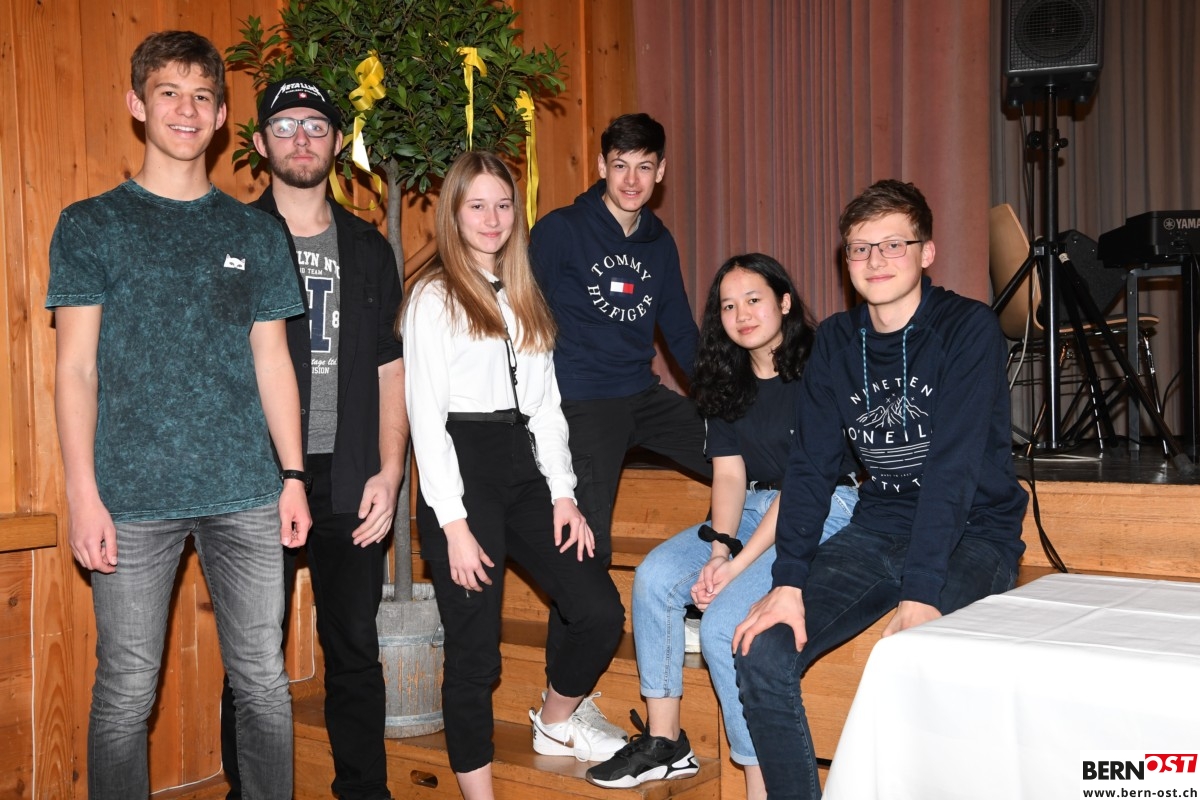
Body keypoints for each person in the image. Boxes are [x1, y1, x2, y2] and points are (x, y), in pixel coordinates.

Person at [46, 31, 311, 800]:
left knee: (263, 683)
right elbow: (75, 369)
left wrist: (293, 476)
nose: (186, 109)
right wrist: (83, 494)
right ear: (137, 104)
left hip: (248, 493)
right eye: (169, 92)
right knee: (126, 692)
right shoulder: (91, 224)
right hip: (130, 499)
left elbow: (273, 361)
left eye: (202, 96)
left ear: (223, 115)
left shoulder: (256, 232)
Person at [731, 180, 1029, 800]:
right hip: (878, 528)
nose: (875, 260)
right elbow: (810, 469)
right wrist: (788, 581)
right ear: (846, 261)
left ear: (927, 253)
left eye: (894, 244)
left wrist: (921, 594)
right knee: (761, 652)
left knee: (922, 663)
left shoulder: (966, 328)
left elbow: (952, 470)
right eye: (860, 249)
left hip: (974, 532)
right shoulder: (836, 342)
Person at [585, 254, 860, 797]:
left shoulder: (820, 367)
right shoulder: (725, 379)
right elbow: (731, 475)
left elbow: (805, 482)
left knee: (723, 625)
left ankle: (761, 781)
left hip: (823, 502)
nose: (742, 315)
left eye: (754, 300)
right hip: (756, 504)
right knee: (655, 576)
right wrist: (718, 550)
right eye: (729, 306)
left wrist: (736, 565)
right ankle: (665, 742)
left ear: (785, 302)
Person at [402, 150, 627, 800]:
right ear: (453, 213)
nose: (492, 218)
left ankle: (555, 721)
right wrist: (453, 525)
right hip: (460, 473)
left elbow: (546, 407)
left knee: (597, 610)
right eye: (477, 205)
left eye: (503, 204)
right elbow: (426, 419)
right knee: (475, 655)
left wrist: (564, 494)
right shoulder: (433, 297)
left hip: (525, 466)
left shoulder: (525, 294)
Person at [217, 76, 407, 800]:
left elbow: (391, 369)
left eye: (316, 126)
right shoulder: (231, 239)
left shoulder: (368, 246)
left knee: (355, 649)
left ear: (336, 142)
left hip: (353, 477)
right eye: (285, 126)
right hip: (255, 478)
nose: (302, 138)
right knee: (253, 658)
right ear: (260, 143)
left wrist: (390, 471)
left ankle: (364, 791)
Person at [529, 114, 712, 734]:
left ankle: (735, 579)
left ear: (661, 173)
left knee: (734, 450)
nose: (631, 179)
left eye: (644, 167)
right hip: (581, 401)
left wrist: (726, 403)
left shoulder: (659, 242)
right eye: (620, 165)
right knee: (587, 550)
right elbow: (522, 316)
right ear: (602, 166)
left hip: (641, 392)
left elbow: (679, 329)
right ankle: (561, 702)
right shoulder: (561, 231)